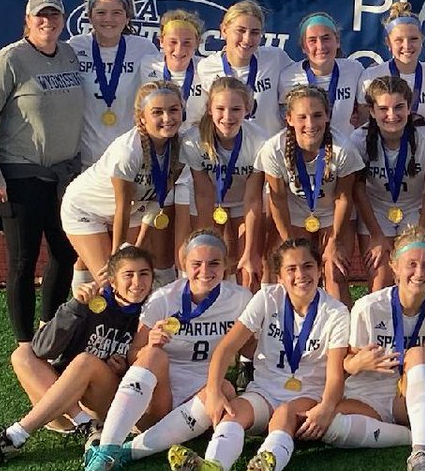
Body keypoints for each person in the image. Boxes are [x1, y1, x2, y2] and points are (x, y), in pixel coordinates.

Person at [168, 238, 350, 471]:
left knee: (284, 415)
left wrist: (326, 407)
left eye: (308, 266)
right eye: (291, 269)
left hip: (307, 397)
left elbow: (335, 375)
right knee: (233, 412)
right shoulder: (267, 297)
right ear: (279, 276)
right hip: (264, 391)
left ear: (319, 270)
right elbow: (226, 348)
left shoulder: (336, 312)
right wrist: (214, 390)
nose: (300, 275)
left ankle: (263, 468)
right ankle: (213, 468)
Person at [77, 231, 252, 471]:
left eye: (214, 263)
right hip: (159, 393)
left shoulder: (240, 299)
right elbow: (135, 354)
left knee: (225, 388)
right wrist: (150, 342)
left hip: (203, 391)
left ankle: (126, 453)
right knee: (152, 355)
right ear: (183, 264)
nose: (205, 271)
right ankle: (107, 449)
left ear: (226, 264)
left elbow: (251, 349)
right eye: (196, 264)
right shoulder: (163, 298)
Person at [0, 246, 154, 467]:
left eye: (144, 274)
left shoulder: (151, 311)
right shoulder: (88, 304)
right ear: (112, 280)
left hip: (107, 404)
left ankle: (13, 437)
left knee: (85, 361)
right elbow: (42, 349)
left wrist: (125, 368)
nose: (137, 282)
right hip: (61, 406)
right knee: (22, 355)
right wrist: (75, 306)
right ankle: (86, 425)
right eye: (128, 275)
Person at [0, 0, 85, 344]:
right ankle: (24, 343)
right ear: (27, 20)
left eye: (54, 16)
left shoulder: (68, 53)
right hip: (20, 177)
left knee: (65, 253)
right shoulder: (9, 60)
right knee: (23, 261)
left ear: (63, 20)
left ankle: (48, 328)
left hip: (63, 177)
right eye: (40, 15)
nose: (47, 22)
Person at [329, 226, 425, 471]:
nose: (419, 273)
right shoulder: (368, 307)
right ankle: (422, 434)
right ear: (394, 266)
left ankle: (421, 456)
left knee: (418, 354)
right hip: (366, 396)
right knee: (327, 425)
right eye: (411, 264)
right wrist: (358, 362)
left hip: (406, 396)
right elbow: (342, 366)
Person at [60, 80, 192, 286]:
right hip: (85, 210)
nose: (167, 118)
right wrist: (117, 258)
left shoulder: (181, 148)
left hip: (133, 211)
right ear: (142, 118)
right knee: (114, 281)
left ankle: (85, 269)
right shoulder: (128, 152)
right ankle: (78, 313)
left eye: (173, 110)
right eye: (157, 112)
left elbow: (156, 200)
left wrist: (138, 246)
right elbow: (122, 207)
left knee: (138, 268)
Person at [258, 85, 364, 304]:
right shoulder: (273, 150)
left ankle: (342, 333)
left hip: (333, 217)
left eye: (317, 115)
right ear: (289, 118)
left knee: (335, 273)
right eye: (302, 117)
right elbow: (277, 199)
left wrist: (334, 240)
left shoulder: (343, 149)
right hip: (294, 216)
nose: (310, 124)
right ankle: (290, 329)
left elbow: (343, 197)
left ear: (327, 116)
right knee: (292, 273)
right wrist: (289, 243)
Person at [351, 76, 425, 290]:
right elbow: (358, 190)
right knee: (380, 283)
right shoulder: (359, 140)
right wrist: (376, 234)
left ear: (409, 107)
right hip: (376, 212)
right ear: (372, 111)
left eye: (399, 107)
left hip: (417, 210)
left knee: (419, 280)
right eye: (383, 108)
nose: (392, 115)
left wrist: (421, 231)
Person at [181, 77, 269, 288]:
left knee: (247, 269)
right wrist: (204, 240)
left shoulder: (259, 141)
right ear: (209, 109)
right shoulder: (193, 140)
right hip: (211, 203)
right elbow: (203, 194)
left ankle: (247, 316)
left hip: (243, 203)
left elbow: (252, 199)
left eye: (236, 109)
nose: (227, 117)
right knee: (211, 262)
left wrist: (250, 251)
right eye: (220, 109)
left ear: (247, 109)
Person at [68, 0, 159, 165]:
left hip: (129, 156)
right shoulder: (74, 47)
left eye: (116, 13)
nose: (108, 19)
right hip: (85, 159)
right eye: (101, 12)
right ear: (90, 17)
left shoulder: (144, 48)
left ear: (127, 18)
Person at [196, 0, 292, 134]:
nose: (247, 39)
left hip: (267, 149)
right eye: (240, 31)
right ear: (224, 30)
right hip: (228, 149)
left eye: (254, 33)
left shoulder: (275, 58)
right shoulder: (206, 68)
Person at [358, 1, 425, 124]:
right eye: (399, 40)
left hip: (421, 142)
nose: (407, 46)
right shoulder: (370, 77)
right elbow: (362, 123)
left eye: (413, 39)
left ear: (422, 39)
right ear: (388, 43)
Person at [278, 12, 364, 137]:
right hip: (306, 151)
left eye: (326, 38)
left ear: (337, 41)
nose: (320, 46)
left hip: (343, 151)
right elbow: (284, 119)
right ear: (303, 47)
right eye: (312, 40)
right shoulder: (288, 77)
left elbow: (365, 109)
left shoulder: (354, 69)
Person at [138, 9, 205, 124]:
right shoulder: (147, 64)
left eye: (187, 43)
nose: (179, 50)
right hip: (159, 136)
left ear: (197, 42)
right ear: (161, 41)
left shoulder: (205, 68)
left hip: (196, 139)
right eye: (173, 42)